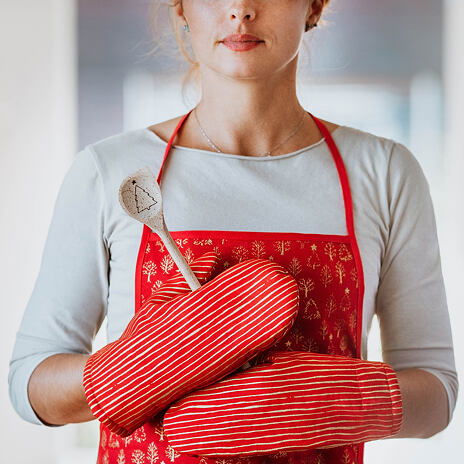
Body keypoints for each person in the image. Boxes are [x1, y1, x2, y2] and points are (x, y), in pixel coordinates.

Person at [8, 1, 458, 463]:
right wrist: (131, 373)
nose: (241, 9)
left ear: (314, 6)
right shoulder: (112, 171)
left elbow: (437, 392)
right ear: (182, 7)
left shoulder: (383, 172)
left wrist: (330, 401)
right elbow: (30, 385)